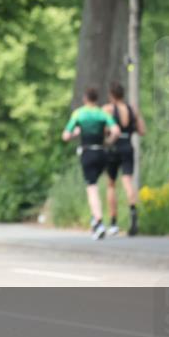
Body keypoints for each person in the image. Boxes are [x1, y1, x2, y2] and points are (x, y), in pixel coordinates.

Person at [62, 87, 120, 239]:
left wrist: (76, 133)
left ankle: (99, 222)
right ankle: (96, 218)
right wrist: (108, 141)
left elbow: (65, 136)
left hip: (87, 153)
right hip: (102, 152)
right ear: (97, 99)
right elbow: (116, 130)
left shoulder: (79, 114)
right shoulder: (102, 113)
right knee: (101, 185)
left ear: (85, 99)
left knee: (92, 188)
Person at [103, 82, 146, 236]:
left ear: (111, 95)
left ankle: (113, 221)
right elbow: (142, 131)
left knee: (111, 184)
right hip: (128, 146)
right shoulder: (132, 109)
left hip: (114, 148)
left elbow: (105, 129)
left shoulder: (108, 109)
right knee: (128, 181)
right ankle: (133, 211)